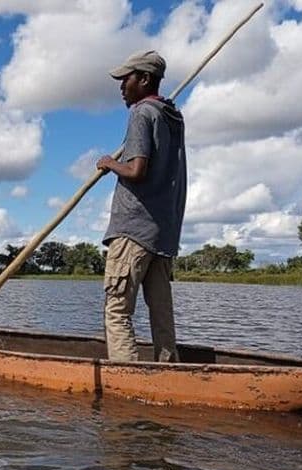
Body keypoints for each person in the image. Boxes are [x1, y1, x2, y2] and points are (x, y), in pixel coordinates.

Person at [95, 50, 186, 363]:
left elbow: (136, 171)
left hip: (133, 229)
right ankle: (169, 368)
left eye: (126, 79)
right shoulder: (172, 116)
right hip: (161, 235)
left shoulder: (141, 113)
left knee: (117, 308)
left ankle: (126, 378)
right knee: (161, 313)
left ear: (145, 79)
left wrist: (109, 163)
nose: (122, 87)